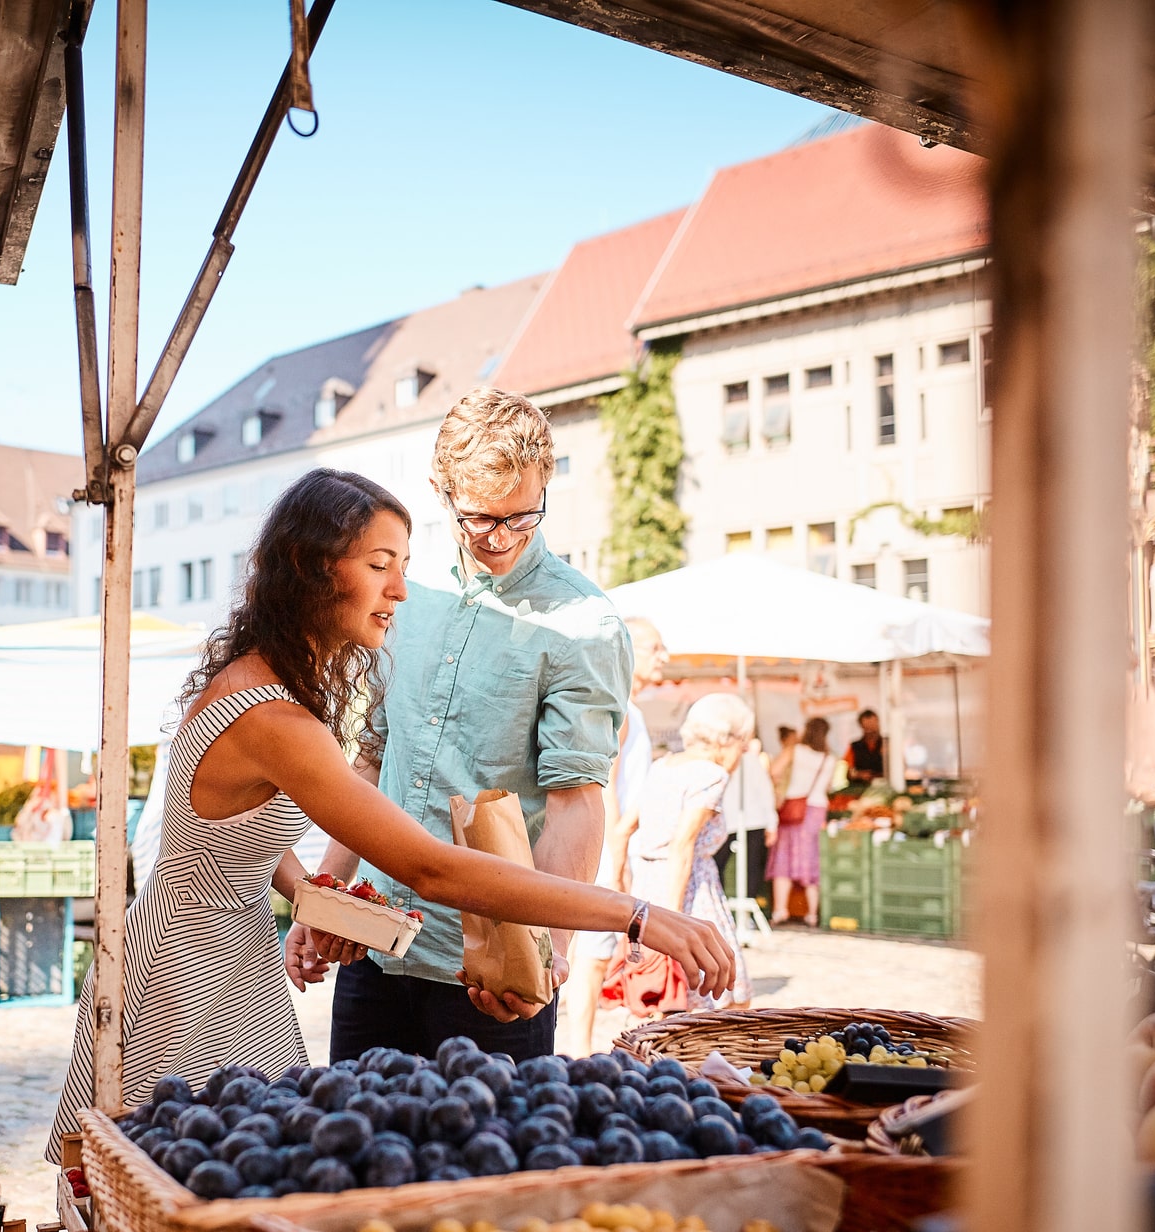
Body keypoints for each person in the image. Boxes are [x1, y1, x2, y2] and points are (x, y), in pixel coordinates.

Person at [44, 469, 735, 1155]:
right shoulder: (274, 717)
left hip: (225, 955)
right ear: (312, 569)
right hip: (188, 971)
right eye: (379, 566)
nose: (400, 590)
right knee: (191, 1180)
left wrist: (313, 897)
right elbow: (429, 868)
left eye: (402, 565)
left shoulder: (269, 685)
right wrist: (635, 914)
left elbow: (235, 839)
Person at [290, 389, 633, 1062]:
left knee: (483, 1163)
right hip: (374, 946)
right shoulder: (405, 595)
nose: (501, 539)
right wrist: (320, 900)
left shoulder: (582, 624)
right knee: (357, 1156)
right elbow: (371, 762)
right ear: (440, 491)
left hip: (491, 966)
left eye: (521, 517)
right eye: (480, 519)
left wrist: (549, 954)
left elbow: (574, 801)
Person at [604, 694, 756, 1015]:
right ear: (726, 740)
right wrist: (673, 919)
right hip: (688, 889)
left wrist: (620, 883)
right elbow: (682, 845)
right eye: (743, 743)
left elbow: (622, 830)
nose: (743, 753)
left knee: (665, 998)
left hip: (647, 886)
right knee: (729, 991)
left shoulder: (663, 766)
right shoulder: (711, 775)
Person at [560, 616, 666, 1056]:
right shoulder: (619, 707)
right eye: (656, 648)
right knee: (593, 953)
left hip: (611, 842)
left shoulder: (630, 708)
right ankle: (578, 1049)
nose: (666, 658)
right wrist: (618, 853)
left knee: (596, 953)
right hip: (605, 844)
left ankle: (579, 1045)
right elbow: (605, 784)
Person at [768, 717, 833, 926]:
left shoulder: (794, 751)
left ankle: (780, 910)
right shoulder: (829, 759)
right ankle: (812, 913)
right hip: (817, 810)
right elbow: (829, 787)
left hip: (793, 808)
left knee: (784, 858)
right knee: (811, 857)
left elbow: (773, 771)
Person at [713, 728, 776, 917]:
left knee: (747, 869)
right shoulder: (719, 761)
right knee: (724, 867)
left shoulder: (748, 760)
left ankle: (740, 915)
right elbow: (765, 791)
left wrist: (771, 822)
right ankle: (722, 911)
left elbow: (765, 791)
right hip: (735, 820)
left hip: (746, 820)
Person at [12, 772, 73, 844]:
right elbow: (18, 824)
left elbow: (66, 835)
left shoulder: (58, 812)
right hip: (31, 847)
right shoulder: (33, 805)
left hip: (47, 847)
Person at [845, 709, 886, 789]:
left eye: (873, 727)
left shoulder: (888, 744)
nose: (871, 731)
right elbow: (849, 771)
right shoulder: (854, 746)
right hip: (860, 790)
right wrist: (859, 775)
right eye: (868, 728)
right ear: (862, 727)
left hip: (884, 788)